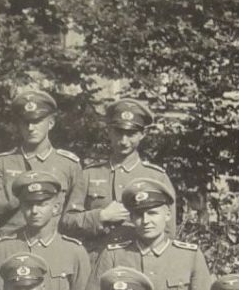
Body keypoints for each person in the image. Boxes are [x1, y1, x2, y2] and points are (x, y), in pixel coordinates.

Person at [82, 177, 217, 290]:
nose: (146, 221)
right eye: (139, 214)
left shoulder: (189, 256)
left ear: (167, 214)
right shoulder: (113, 255)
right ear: (131, 217)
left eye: (153, 213)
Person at [0, 172, 92, 290]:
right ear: (21, 207)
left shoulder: (74, 251)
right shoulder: (2, 248)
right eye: (28, 204)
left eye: (42, 204)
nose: (34, 211)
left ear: (56, 208)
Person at [74, 97, 172, 248]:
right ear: (109, 131)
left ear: (142, 134)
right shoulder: (89, 174)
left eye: (131, 133)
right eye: (118, 133)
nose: (124, 141)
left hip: (137, 263)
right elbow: (67, 223)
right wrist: (101, 216)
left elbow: (168, 233)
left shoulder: (157, 178)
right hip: (97, 262)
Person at [0, 88, 85, 241]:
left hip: (51, 247)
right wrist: (18, 189)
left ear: (51, 123)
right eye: (25, 123)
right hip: (10, 243)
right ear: (19, 125)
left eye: (37, 121)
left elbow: (73, 218)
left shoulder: (69, 165)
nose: (31, 128)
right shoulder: (2, 163)